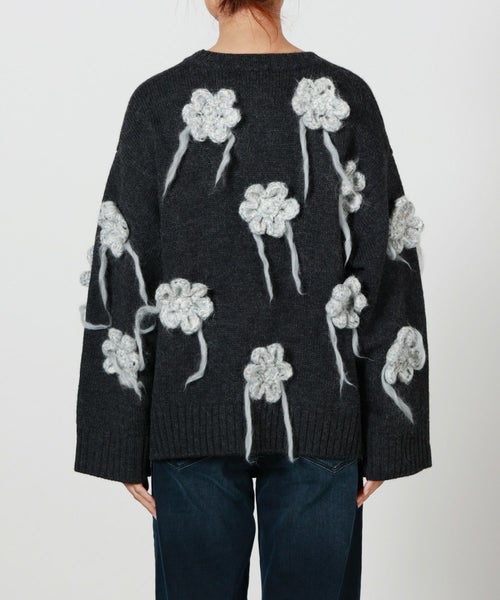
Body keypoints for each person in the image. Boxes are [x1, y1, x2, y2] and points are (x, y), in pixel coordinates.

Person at [74, 0, 432, 597]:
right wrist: (391, 433)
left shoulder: (158, 102)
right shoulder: (346, 97)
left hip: (190, 423)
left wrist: (118, 435)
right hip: (323, 419)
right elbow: (387, 264)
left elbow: (124, 266)